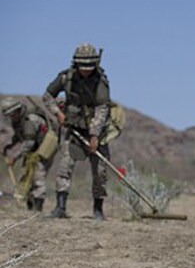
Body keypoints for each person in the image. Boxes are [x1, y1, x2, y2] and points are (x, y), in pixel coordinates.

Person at [43, 43, 112, 220]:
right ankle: (60, 207)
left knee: (100, 171)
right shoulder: (66, 78)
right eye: (82, 67)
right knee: (65, 167)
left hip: (96, 131)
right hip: (72, 129)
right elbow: (47, 96)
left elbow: (102, 108)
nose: (86, 71)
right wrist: (57, 113)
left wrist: (95, 134)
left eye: (89, 67)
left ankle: (98, 210)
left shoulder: (100, 81)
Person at [1, 97, 57, 212]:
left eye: (13, 114)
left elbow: (29, 143)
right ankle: (30, 206)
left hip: (43, 149)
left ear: (18, 110)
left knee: (38, 176)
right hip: (32, 151)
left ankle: (38, 209)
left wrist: (14, 157)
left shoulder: (29, 120)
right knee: (27, 177)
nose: (12, 117)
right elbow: (18, 137)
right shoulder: (17, 121)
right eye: (9, 115)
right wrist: (8, 147)